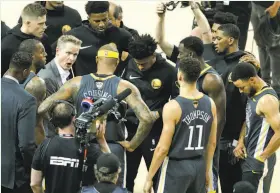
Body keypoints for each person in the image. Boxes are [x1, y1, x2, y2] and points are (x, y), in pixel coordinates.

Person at [38, 43, 157, 187]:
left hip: (80, 145)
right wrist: (132, 145)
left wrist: (58, 128)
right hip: (110, 147)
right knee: (111, 190)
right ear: (117, 62)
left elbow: (42, 108)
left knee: (80, 188)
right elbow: (147, 118)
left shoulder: (76, 82)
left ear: (96, 60)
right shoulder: (124, 86)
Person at [143, 57, 217, 193]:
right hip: (199, 164)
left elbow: (162, 148)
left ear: (180, 76)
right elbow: (212, 143)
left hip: (177, 167)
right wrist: (207, 172)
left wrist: (149, 178)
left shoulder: (172, 107)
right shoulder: (210, 103)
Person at [167, 36, 226, 192]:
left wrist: (209, 147)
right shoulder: (184, 74)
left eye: (181, 53)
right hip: (184, 143)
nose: (178, 56)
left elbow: (219, 119)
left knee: (208, 184)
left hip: (204, 145)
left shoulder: (211, 79)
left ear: (191, 55)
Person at [121, 34, 178, 191]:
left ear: (153, 55)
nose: (140, 67)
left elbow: (177, 101)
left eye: (144, 63)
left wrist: (158, 114)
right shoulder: (129, 64)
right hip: (131, 128)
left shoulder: (169, 71)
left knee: (155, 178)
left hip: (154, 132)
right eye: (137, 63)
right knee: (127, 177)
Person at [30, 101, 110, 193]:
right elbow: (111, 171)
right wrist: (101, 140)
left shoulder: (44, 146)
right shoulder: (87, 147)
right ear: (74, 119)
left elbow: (34, 184)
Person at [231, 62, 280, 192]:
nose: (241, 91)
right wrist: (241, 141)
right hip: (249, 159)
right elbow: (248, 119)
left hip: (258, 164)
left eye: (242, 87)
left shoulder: (267, 100)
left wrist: (262, 157)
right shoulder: (253, 93)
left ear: (252, 80)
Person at [59, 1, 133, 76]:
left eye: (104, 20)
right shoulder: (74, 35)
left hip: (112, 86)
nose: (101, 24)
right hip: (83, 86)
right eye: (97, 21)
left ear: (108, 15)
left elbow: (139, 57)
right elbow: (55, 57)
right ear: (89, 18)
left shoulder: (121, 35)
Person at [1, 51, 37, 193]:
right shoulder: (27, 100)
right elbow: (26, 145)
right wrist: (32, 169)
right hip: (10, 177)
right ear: (25, 71)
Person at [38, 34, 82, 138]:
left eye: (75, 54)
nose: (71, 58)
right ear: (57, 51)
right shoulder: (47, 77)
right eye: (68, 53)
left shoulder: (69, 69)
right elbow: (48, 114)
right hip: (52, 134)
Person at [1, 3, 52, 77]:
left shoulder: (43, 39)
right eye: (40, 24)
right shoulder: (7, 45)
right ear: (28, 23)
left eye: (44, 23)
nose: (44, 27)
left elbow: (48, 64)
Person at [18, 39, 48, 145]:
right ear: (32, 57)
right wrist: (42, 152)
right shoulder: (36, 83)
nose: (46, 54)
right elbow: (37, 124)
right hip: (27, 143)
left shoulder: (8, 77)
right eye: (42, 51)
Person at [251, 1, 280, 100]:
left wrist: (276, 5)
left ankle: (277, 91)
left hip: (271, 6)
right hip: (255, 5)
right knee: (261, 43)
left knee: (274, 48)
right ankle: (265, 83)